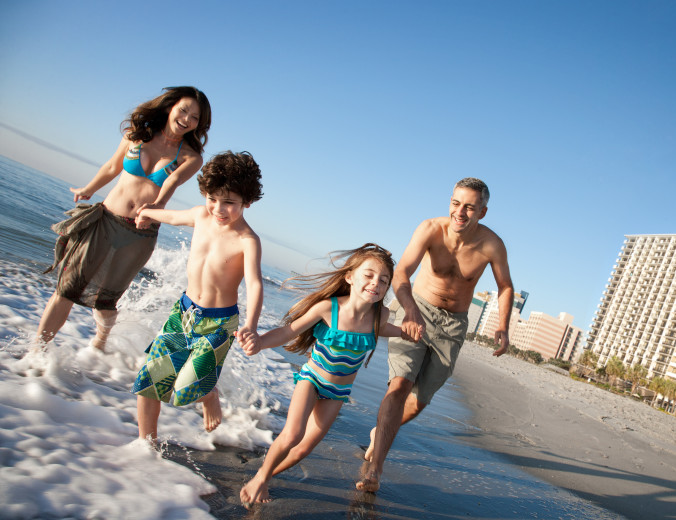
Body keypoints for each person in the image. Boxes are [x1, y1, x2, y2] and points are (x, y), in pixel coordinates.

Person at [356, 178, 514, 492]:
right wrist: (410, 309)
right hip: (417, 308)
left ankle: (379, 433)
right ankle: (375, 468)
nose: (460, 212)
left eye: (469, 206)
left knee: (419, 402)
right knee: (399, 385)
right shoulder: (430, 229)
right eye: (456, 203)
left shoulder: (491, 245)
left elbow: (505, 286)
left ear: (482, 211)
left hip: (454, 325)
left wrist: (502, 326)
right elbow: (401, 272)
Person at [37, 86, 211, 350]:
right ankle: (36, 353)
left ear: (199, 124)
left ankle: (101, 340)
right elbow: (111, 166)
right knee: (66, 289)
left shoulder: (190, 157)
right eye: (184, 110)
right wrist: (89, 189)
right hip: (104, 221)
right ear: (170, 107)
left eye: (195, 117)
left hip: (140, 234)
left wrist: (156, 208)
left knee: (105, 301)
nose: (187, 119)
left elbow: (171, 183)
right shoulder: (137, 134)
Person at [237, 244, 401, 507]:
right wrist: (259, 342)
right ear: (349, 276)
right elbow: (288, 331)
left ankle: (263, 475)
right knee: (292, 435)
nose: (376, 283)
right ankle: (261, 478)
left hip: (338, 392)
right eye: (368, 275)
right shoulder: (328, 308)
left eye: (383, 280)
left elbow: (382, 329)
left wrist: (406, 332)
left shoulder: (379, 314)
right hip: (312, 380)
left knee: (303, 449)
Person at [131, 151, 263, 438]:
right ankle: (146, 444)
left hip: (218, 325)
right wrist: (147, 212)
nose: (218, 208)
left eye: (229, 203)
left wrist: (250, 325)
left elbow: (254, 284)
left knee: (185, 390)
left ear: (247, 202)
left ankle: (209, 396)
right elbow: (173, 217)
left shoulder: (247, 240)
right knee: (151, 380)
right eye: (212, 198)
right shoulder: (201, 215)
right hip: (183, 313)